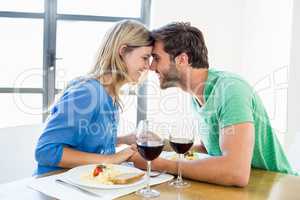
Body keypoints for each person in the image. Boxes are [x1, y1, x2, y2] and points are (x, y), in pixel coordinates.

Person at [130, 22, 297, 187]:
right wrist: (160, 144)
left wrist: (159, 164)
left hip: (281, 188)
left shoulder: (230, 90)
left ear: (182, 59)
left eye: (156, 58)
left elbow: (235, 172)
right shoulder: (198, 94)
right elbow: (209, 150)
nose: (151, 66)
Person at [34, 20, 153, 175]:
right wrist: (112, 159)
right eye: (145, 58)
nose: (148, 66)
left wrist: (124, 139)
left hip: (83, 182)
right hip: (55, 184)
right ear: (123, 51)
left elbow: (86, 142)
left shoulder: (110, 94)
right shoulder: (88, 92)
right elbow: (45, 152)